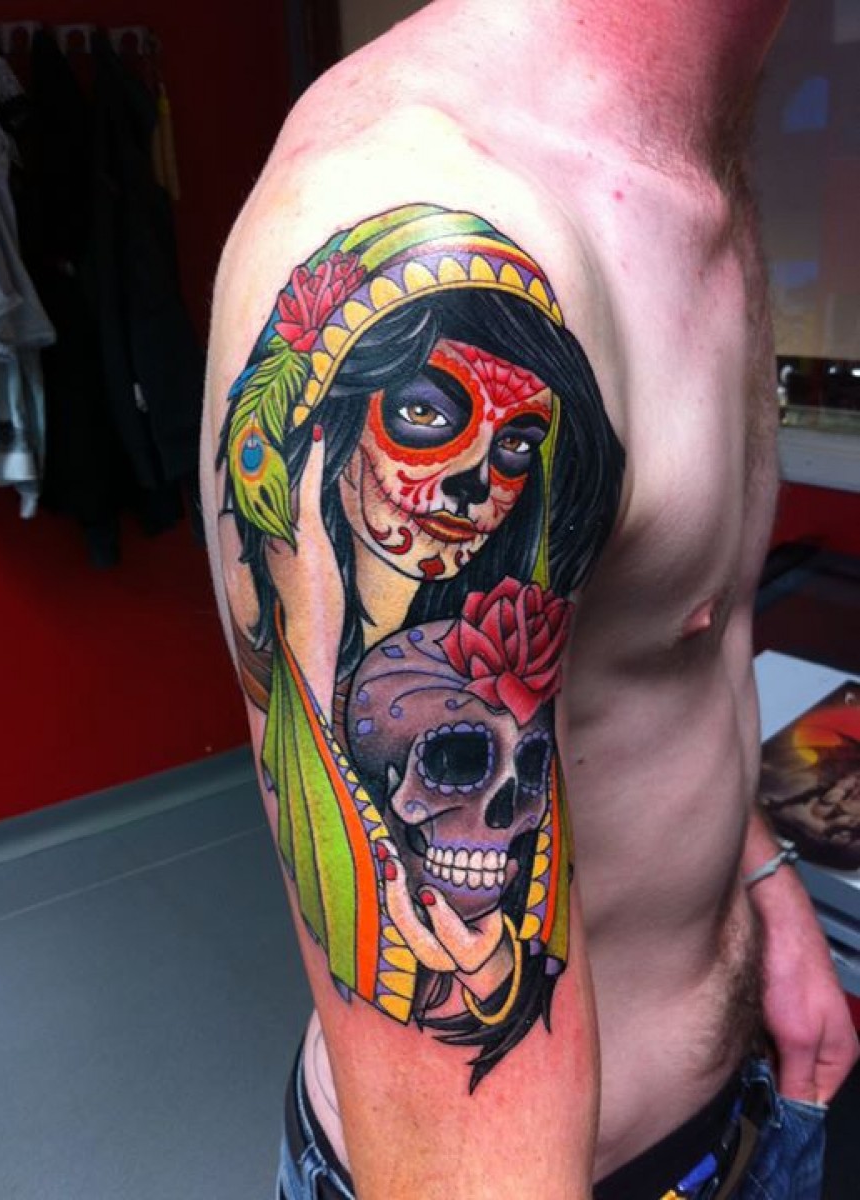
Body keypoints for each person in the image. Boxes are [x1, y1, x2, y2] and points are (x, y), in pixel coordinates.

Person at [200, 2, 859, 1198]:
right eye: (425, 420)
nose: (473, 483)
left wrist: (764, 893)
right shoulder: (437, 200)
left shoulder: (689, 157)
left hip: (750, 1101)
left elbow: (656, 647)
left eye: (507, 449)